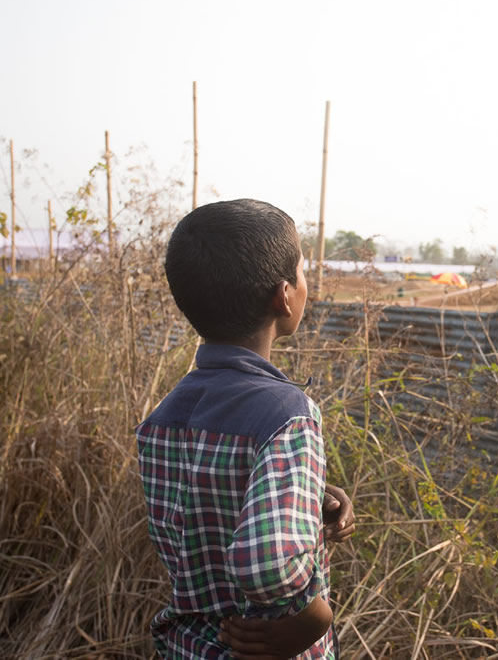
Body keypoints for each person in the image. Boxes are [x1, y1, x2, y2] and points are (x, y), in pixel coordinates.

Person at [137, 199, 354, 659]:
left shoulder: (162, 417)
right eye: (302, 270)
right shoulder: (288, 415)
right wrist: (314, 620)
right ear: (284, 295)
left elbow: (203, 510)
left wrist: (308, 497)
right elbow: (267, 560)